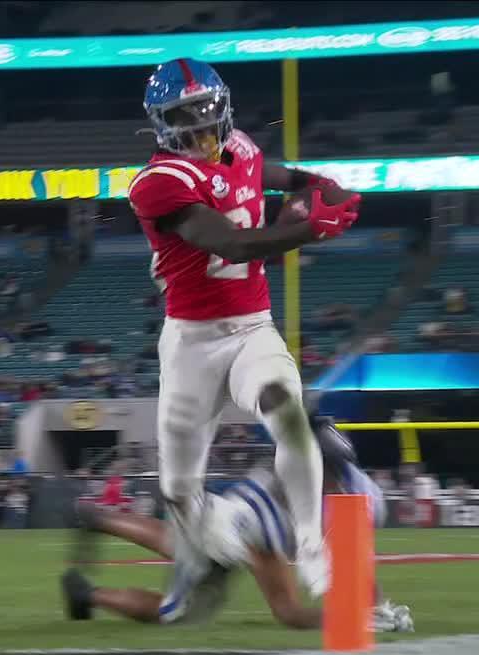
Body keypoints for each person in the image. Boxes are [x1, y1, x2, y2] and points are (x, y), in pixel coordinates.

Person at [128, 58, 360, 598]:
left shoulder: (244, 150)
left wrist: (318, 185)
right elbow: (228, 243)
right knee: (179, 493)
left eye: (208, 114)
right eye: (188, 118)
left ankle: (310, 545)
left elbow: (278, 177)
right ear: (162, 123)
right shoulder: (158, 182)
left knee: (287, 409)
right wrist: (307, 229)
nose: (203, 129)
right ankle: (222, 540)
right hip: (191, 342)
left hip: (251, 328)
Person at [61, 417, 412, 632]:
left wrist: (372, 606)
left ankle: (100, 519)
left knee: (181, 541)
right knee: (174, 611)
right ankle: (88, 594)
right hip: (230, 528)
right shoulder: (276, 513)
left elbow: (353, 567)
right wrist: (353, 621)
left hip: (225, 513)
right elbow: (288, 612)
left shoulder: (356, 499)